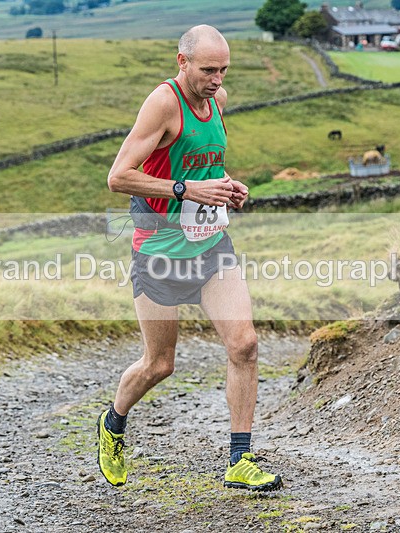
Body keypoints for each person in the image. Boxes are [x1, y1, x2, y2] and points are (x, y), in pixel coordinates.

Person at [97, 24, 282, 492]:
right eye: (208, 70)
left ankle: (240, 459)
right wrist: (186, 190)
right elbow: (119, 177)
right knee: (159, 365)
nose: (217, 80)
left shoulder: (217, 101)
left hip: (210, 246)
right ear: (182, 62)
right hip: (158, 252)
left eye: (223, 70)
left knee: (244, 344)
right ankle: (113, 423)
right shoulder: (164, 103)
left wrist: (227, 186)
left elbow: (203, 163)